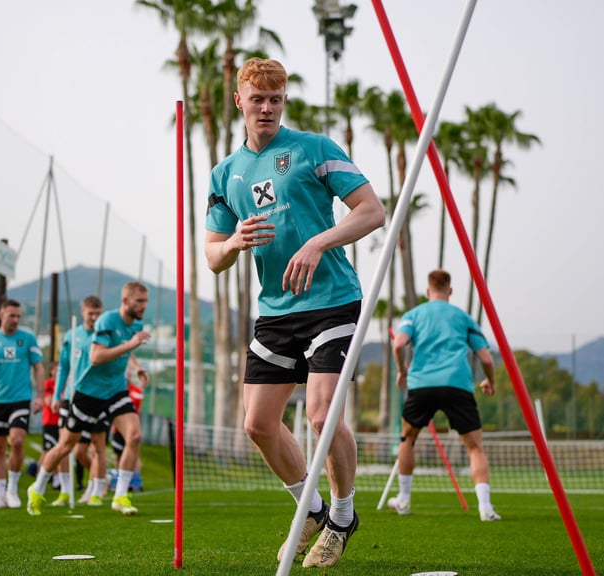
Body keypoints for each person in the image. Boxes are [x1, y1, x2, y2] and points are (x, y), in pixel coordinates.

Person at [205, 57, 385, 568]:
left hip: (332, 301)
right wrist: (234, 241)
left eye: (276, 99)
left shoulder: (314, 149)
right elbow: (213, 258)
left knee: (322, 414)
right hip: (275, 311)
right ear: (239, 101)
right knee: (258, 424)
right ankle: (310, 508)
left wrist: (317, 244)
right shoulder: (226, 173)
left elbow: (372, 211)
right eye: (257, 99)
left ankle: (343, 517)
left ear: (284, 101)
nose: (266, 108)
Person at [27, 282, 151, 516]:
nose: (144, 306)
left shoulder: (136, 324)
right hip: (88, 392)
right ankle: (38, 486)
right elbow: (96, 357)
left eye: (145, 301)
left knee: (134, 436)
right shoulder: (106, 321)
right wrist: (131, 344)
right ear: (125, 301)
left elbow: (125, 348)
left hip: (115, 390)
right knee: (66, 446)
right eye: (139, 302)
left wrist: (137, 368)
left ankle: (120, 496)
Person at [387, 269, 501, 521]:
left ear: (428, 292)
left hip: (421, 385)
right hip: (457, 385)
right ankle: (485, 508)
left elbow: (398, 344)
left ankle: (404, 500)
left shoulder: (414, 315)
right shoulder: (464, 318)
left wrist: (401, 372)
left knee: (408, 439)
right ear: (449, 291)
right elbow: (486, 358)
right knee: (474, 448)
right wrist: (489, 381)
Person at [0, 299, 45, 510]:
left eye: (18, 316)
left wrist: (40, 396)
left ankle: (13, 490)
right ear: (1, 314)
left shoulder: (27, 339)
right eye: (11, 315)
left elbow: (39, 368)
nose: (15, 320)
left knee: (16, 440)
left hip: (21, 398)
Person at [53, 295, 106, 506]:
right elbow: (63, 367)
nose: (94, 317)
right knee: (64, 445)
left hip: (96, 397)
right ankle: (65, 491)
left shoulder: (104, 336)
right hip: (71, 397)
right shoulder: (71, 336)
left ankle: (95, 489)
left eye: (98, 313)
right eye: (91, 313)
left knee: (96, 445)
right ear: (83, 312)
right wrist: (57, 395)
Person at [110, 361, 149, 492]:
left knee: (134, 451)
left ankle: (136, 480)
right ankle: (118, 480)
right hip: (117, 429)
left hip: (130, 427)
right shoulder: (116, 391)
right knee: (119, 455)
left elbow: (137, 403)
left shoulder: (134, 392)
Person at [38, 363, 72, 506]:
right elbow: (49, 400)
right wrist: (57, 401)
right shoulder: (50, 384)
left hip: (62, 419)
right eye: (55, 369)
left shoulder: (67, 386)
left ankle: (59, 482)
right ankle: (40, 481)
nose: (58, 372)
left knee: (63, 450)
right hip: (50, 422)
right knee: (50, 451)